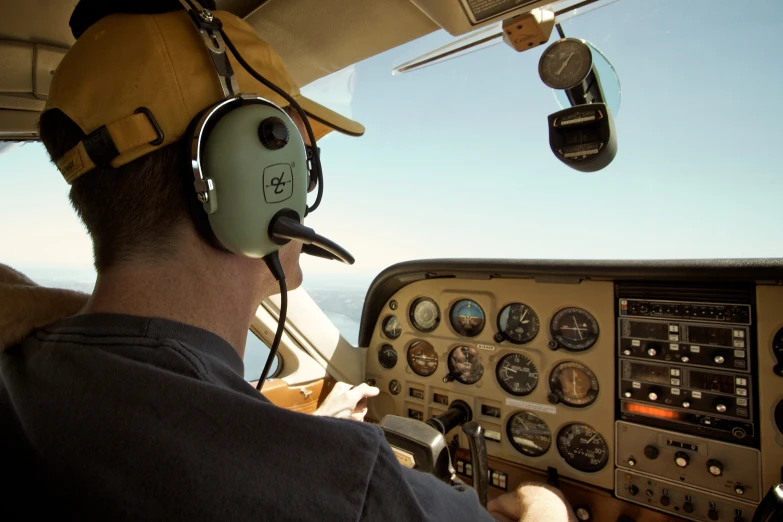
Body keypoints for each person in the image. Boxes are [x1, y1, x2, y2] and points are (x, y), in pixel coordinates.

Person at [0, 2, 575, 521]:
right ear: (255, 180)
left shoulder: (21, 367)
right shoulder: (353, 488)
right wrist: (544, 504)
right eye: (297, 157)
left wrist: (288, 440)